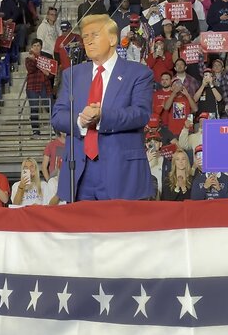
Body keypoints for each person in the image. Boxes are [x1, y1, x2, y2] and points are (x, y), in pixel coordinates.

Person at [50, 14, 154, 202]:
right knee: (81, 230)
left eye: (94, 35)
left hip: (121, 171)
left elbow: (141, 114)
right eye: (85, 37)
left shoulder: (139, 73)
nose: (88, 41)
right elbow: (57, 116)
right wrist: (79, 121)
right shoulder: (71, 74)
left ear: (113, 39)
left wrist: (102, 116)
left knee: (120, 229)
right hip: (79, 172)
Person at [26, 39, 55, 136]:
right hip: (32, 86)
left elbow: (51, 74)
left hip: (45, 85)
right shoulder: (28, 59)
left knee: (51, 107)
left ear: (41, 47)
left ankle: (56, 129)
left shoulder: (47, 58)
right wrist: (39, 64)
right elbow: (31, 69)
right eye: (34, 45)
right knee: (34, 109)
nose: (36, 47)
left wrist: (47, 72)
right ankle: (35, 131)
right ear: (31, 47)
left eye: (38, 45)